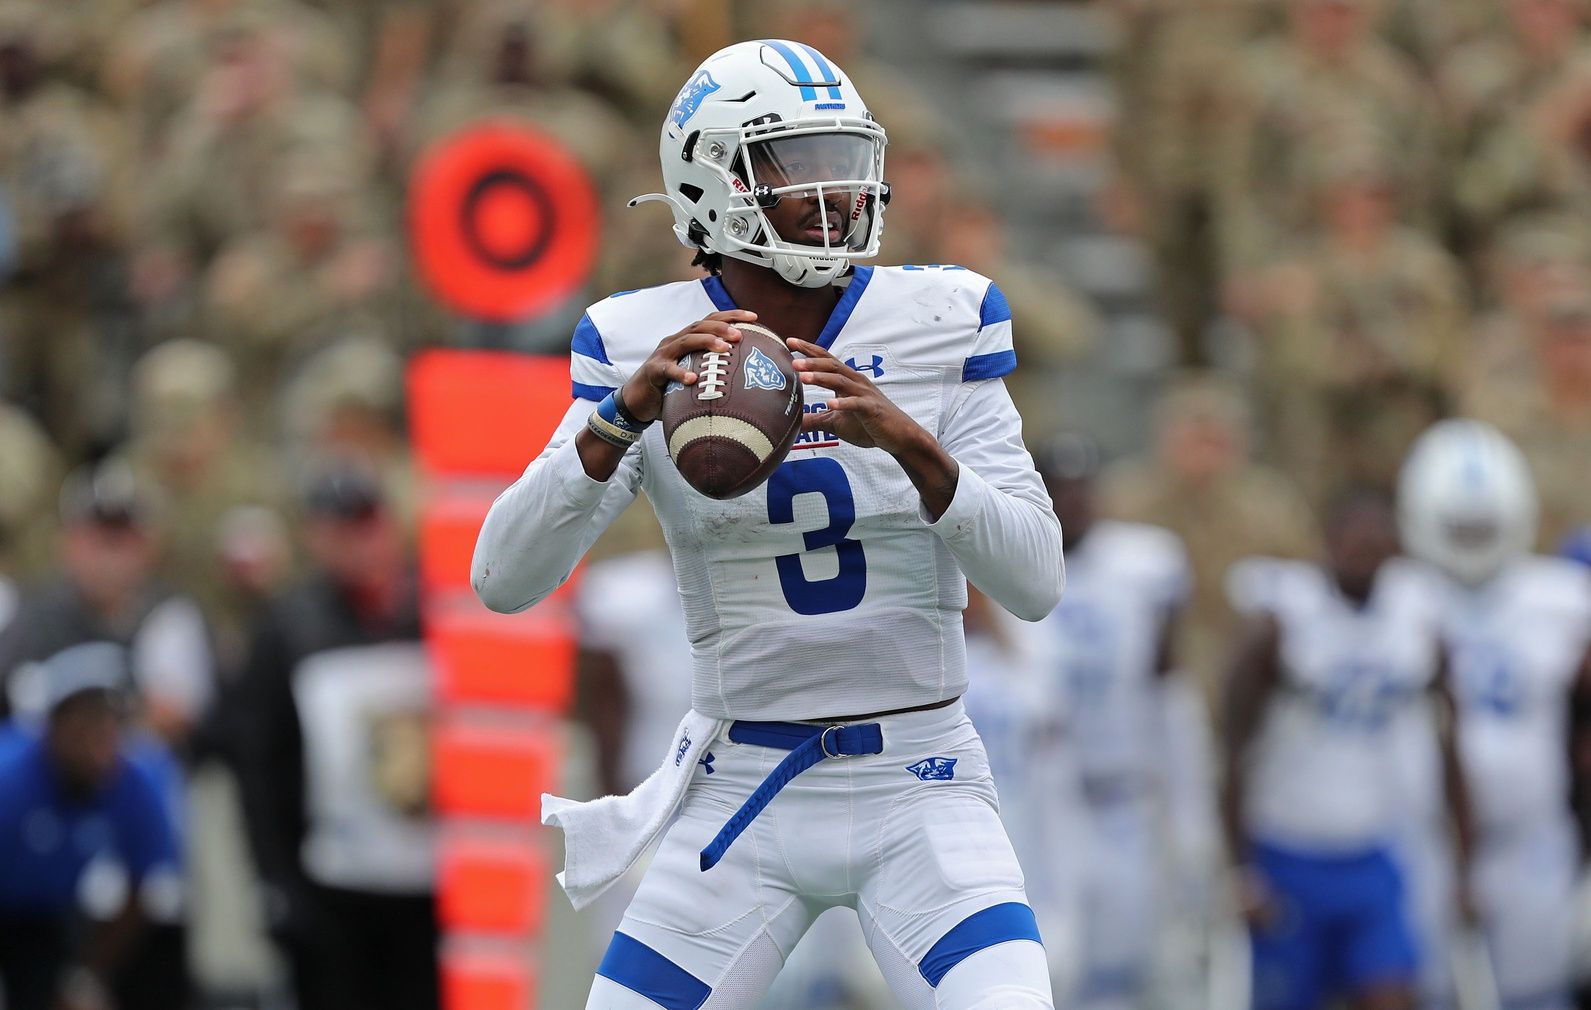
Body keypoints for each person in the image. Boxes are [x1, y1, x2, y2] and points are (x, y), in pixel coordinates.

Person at [472, 39, 1065, 1009]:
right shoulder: (640, 341)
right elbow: (500, 577)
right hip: (741, 784)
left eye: (844, 159)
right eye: (798, 166)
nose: (837, 192)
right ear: (714, 185)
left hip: (918, 775)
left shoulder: (942, 319)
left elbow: (1036, 580)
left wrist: (909, 443)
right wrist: (613, 421)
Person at [1221, 488, 1474, 1010]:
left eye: (1378, 543)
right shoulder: (1283, 620)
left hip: (1373, 849)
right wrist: (1238, 868)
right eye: (1355, 542)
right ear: (1329, 543)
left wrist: (1463, 862)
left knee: (1393, 992)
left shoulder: (1418, 616)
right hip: (1288, 849)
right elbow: (1231, 744)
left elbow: (1451, 742)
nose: (1367, 554)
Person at [1398, 419, 1591, 1010]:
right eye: (1459, 526)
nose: (1473, 539)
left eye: (1484, 525)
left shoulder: (1563, 599)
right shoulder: (1394, 596)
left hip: (1531, 839)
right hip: (1425, 842)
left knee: (1538, 994)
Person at [232, 461, 436, 1010]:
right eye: (337, 527)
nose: (355, 543)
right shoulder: (288, 627)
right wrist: (276, 882)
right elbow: (259, 766)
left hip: (432, 886)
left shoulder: (441, 611)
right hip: (334, 885)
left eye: (364, 522)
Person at [1031, 434, 1218, 1010]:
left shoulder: (1144, 566)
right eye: (1059, 491)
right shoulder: (1007, 562)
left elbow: (1168, 690)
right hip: (1043, 801)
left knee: (1125, 967)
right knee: (1049, 968)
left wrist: (1189, 809)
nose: (1072, 503)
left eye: (1081, 490)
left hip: (1122, 797)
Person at [0, 643, 184, 1010]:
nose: (99, 738)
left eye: (110, 721)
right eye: (85, 719)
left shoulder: (138, 779)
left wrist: (87, 972)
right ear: (53, 725)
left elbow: (143, 885)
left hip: (52, 915)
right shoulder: (8, 777)